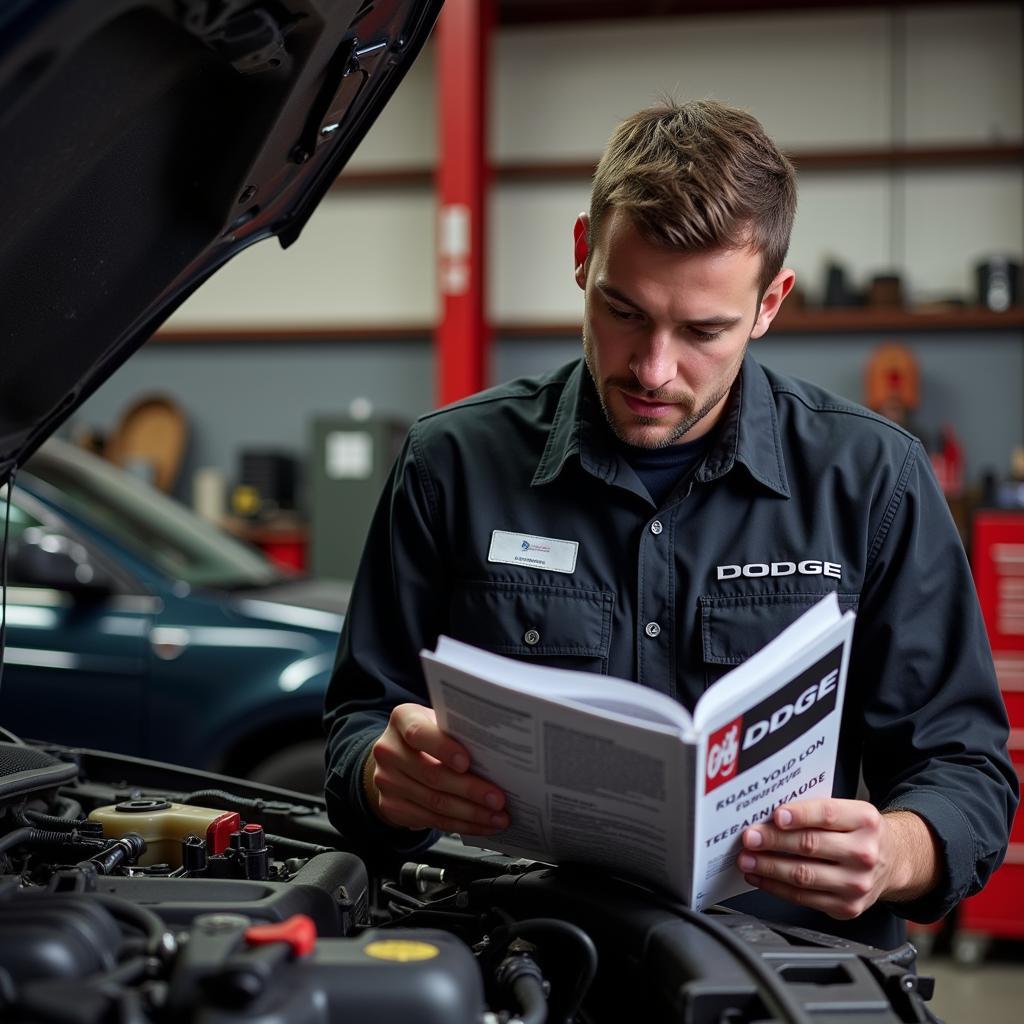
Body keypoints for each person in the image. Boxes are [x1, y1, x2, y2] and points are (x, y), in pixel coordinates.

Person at [323, 99, 1017, 949]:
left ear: (770, 304)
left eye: (702, 331)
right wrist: (379, 777)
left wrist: (899, 849)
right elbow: (361, 718)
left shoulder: (873, 483)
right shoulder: (450, 466)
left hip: (779, 972)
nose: (653, 368)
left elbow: (966, 770)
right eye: (624, 312)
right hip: (523, 954)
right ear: (584, 255)